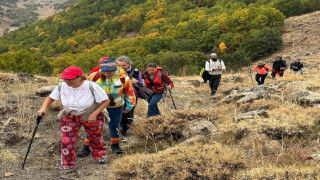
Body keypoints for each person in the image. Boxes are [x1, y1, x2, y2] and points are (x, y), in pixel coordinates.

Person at [37, 66, 110, 170]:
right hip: (69, 115)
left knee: (95, 136)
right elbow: (50, 98)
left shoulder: (92, 86)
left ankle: (100, 155)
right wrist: (43, 109)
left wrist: (94, 114)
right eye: (64, 78)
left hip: (91, 114)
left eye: (70, 79)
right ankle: (67, 163)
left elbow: (106, 101)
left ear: (79, 77)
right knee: (67, 140)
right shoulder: (62, 86)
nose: (66, 81)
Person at [79, 58, 136, 155]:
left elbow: (129, 92)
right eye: (104, 72)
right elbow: (84, 90)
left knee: (114, 124)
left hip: (116, 105)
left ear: (115, 69)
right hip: (97, 106)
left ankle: (115, 145)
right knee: (92, 125)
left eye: (109, 72)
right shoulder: (94, 76)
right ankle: (87, 146)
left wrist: (129, 106)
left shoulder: (123, 78)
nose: (106, 74)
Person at [116, 56, 143, 136]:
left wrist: (136, 82)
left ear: (128, 64)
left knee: (129, 111)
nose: (121, 67)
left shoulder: (135, 72)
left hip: (132, 96)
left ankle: (125, 128)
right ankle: (120, 128)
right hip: (118, 95)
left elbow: (141, 84)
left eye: (123, 65)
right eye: (118, 65)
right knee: (119, 111)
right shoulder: (114, 71)